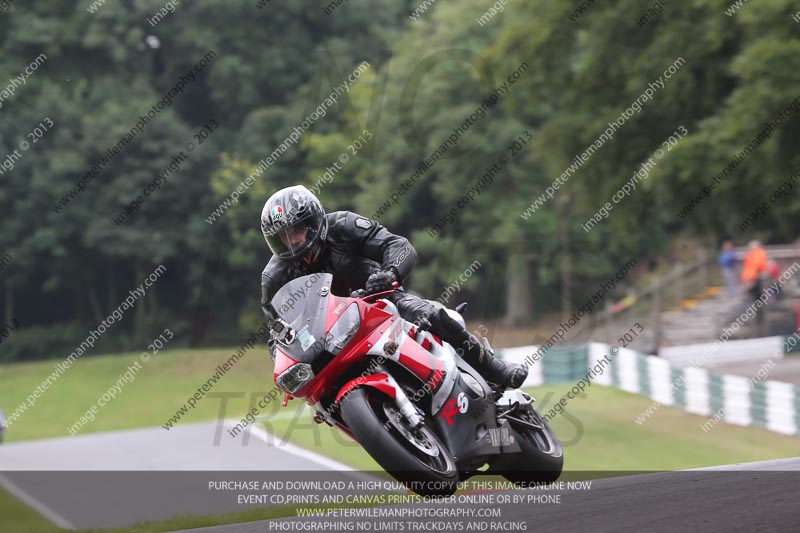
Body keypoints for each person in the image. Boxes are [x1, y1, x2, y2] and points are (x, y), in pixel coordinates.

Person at [259, 185, 527, 389]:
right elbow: (277, 335)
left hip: (379, 300)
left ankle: (493, 369)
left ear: (314, 221)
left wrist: (389, 273)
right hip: (328, 340)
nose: (292, 242)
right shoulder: (274, 278)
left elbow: (397, 246)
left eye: (297, 230)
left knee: (430, 314)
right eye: (282, 238)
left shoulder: (343, 225)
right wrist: (289, 359)